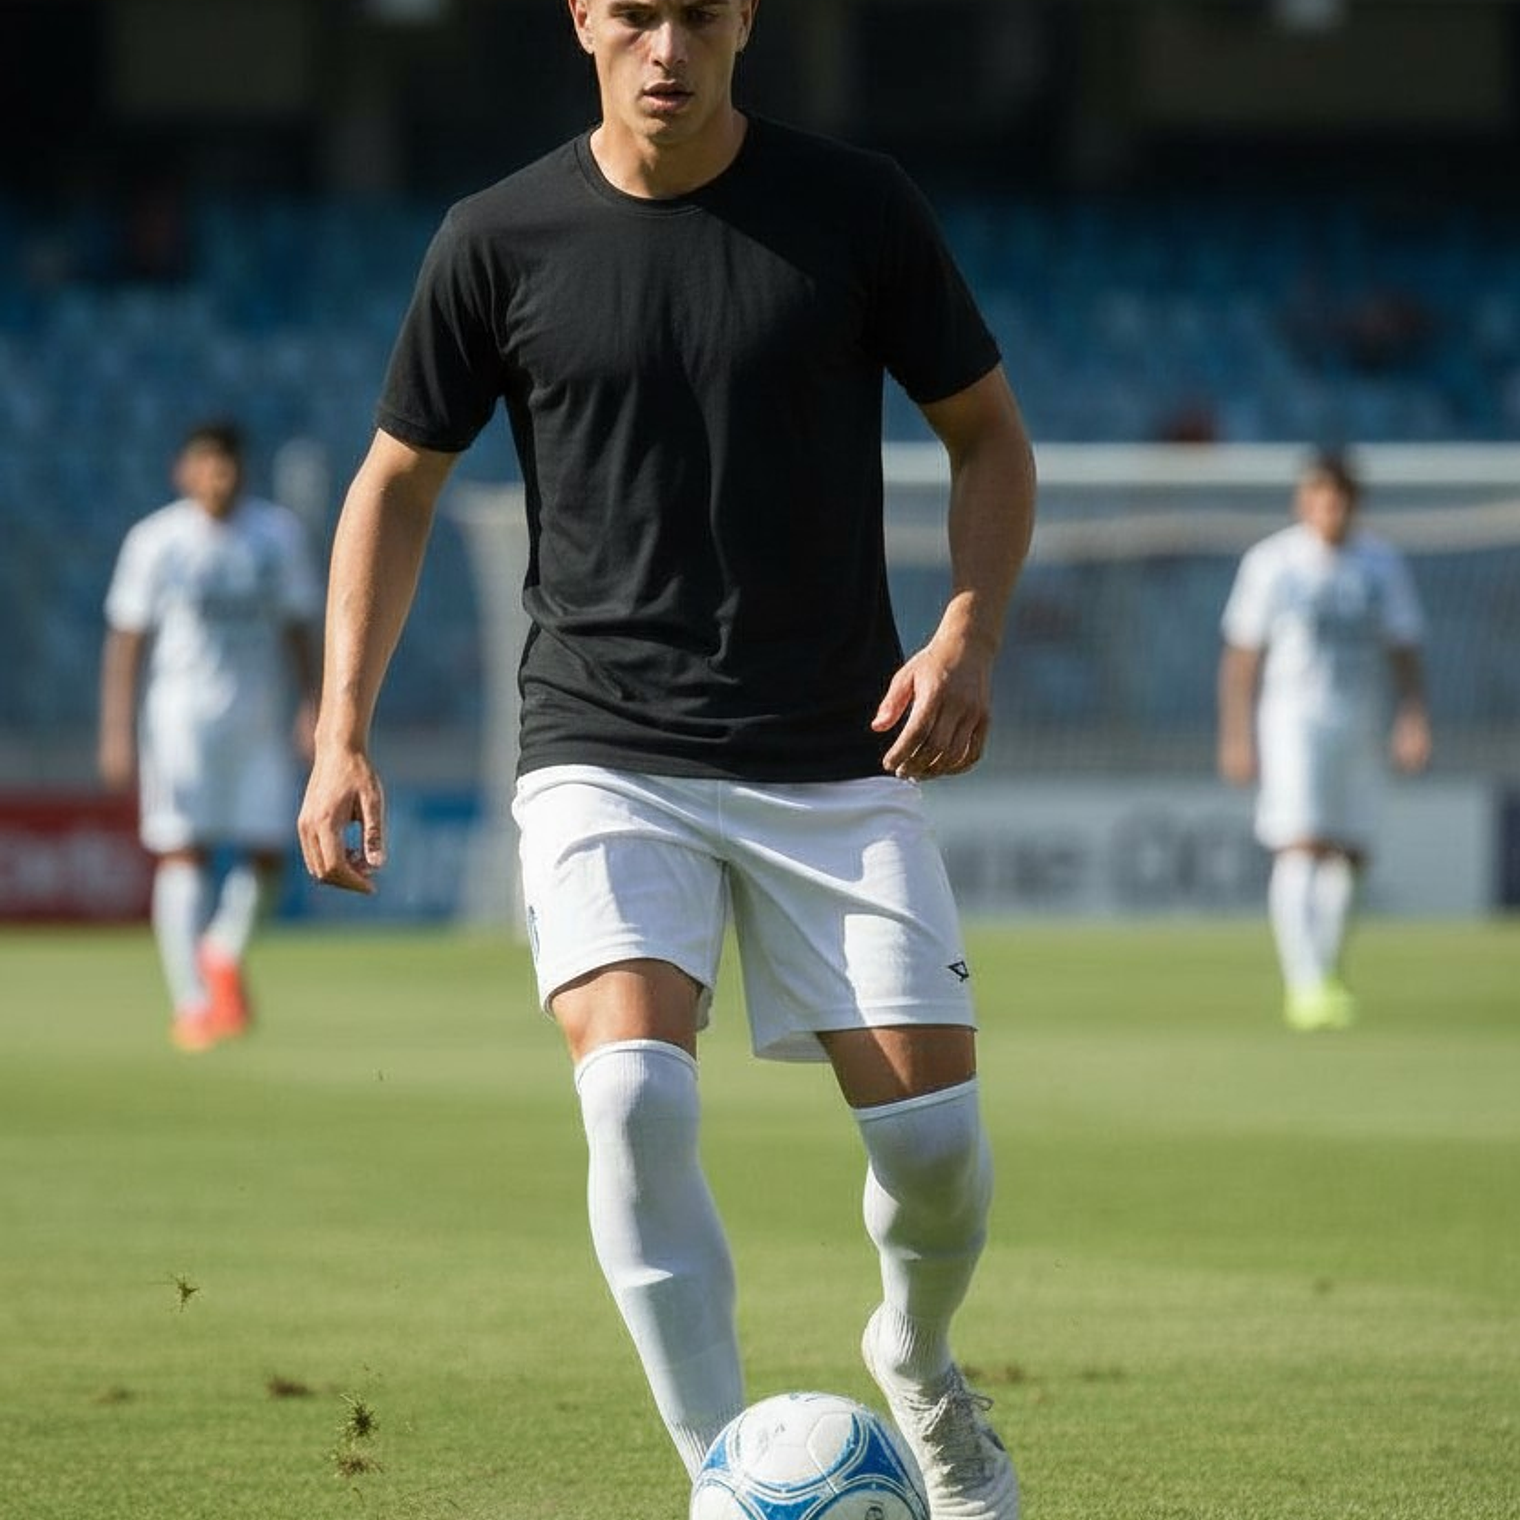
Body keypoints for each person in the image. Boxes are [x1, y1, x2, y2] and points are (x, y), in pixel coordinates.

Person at [298, 3, 1036, 1514]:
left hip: (839, 756)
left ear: (744, 21)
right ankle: (721, 1478)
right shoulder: (493, 240)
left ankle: (916, 1355)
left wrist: (966, 635)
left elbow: (991, 440)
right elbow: (395, 483)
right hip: (603, 748)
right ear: (583, 20)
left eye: (700, 11)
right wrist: (338, 731)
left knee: (941, 1155)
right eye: (634, 12)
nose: (666, 45)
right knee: (634, 1097)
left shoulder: (857, 208)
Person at [100, 419, 322, 1051]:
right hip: (180, 720)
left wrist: (315, 705)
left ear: (241, 469)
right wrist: (117, 729)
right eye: (207, 465)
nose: (219, 477)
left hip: (257, 717)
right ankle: (192, 1004)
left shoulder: (276, 536)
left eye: (228, 465)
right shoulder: (157, 542)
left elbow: (300, 626)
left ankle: (222, 950)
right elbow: (127, 639)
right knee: (184, 850)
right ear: (184, 471)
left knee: (271, 851)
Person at [1218, 450, 1430, 1031]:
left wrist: (1413, 716)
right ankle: (1304, 983)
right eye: (1318, 498)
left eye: (1338, 500)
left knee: (1352, 851)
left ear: (1353, 504)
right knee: (1301, 844)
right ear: (1303, 502)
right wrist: (1236, 734)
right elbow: (1241, 656)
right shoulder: (1273, 563)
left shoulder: (1381, 565)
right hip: (1293, 720)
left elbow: (1404, 646)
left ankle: (1330, 971)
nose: (1328, 510)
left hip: (1360, 719)